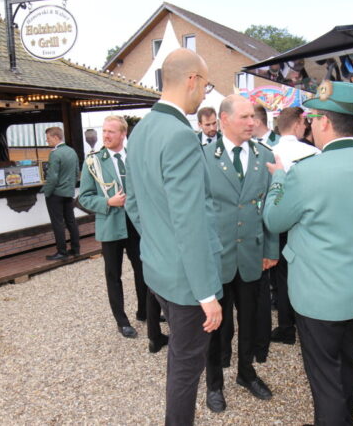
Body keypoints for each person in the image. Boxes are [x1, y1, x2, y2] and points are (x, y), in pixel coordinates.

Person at [264, 81, 353, 425]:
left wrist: (278, 180)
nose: (310, 126)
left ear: (324, 122)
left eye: (312, 119)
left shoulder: (306, 171)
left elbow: (274, 220)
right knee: (347, 362)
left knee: (325, 378)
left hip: (317, 294)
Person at [124, 48, 223, 426]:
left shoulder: (142, 129)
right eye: (206, 85)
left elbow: (134, 203)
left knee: (181, 360)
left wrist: (158, 243)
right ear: (192, 80)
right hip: (186, 280)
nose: (205, 94)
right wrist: (206, 293)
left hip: (159, 269)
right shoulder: (180, 135)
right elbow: (191, 221)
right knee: (186, 368)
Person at [203, 94, 278, 413]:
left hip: (252, 255)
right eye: (245, 117)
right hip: (216, 257)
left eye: (253, 117)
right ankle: (214, 383)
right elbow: (197, 211)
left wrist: (271, 248)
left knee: (250, 321)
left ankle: (246, 373)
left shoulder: (265, 155)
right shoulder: (204, 157)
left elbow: (271, 205)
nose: (253, 122)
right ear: (224, 119)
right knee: (214, 326)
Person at [78, 116, 166, 347]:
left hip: (136, 224)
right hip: (110, 224)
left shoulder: (133, 157)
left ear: (123, 134)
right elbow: (84, 197)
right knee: (113, 275)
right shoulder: (93, 162)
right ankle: (122, 321)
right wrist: (108, 202)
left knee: (143, 270)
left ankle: (144, 312)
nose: (106, 135)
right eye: (104, 131)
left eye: (111, 132)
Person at [268, 107, 320, 347]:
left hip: (278, 219)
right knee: (307, 272)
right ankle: (307, 322)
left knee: (282, 276)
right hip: (307, 221)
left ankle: (286, 326)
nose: (306, 127)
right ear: (298, 123)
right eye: (305, 123)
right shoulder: (313, 153)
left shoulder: (268, 152)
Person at [41, 126, 80, 261]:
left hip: (56, 193)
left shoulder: (55, 154)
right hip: (68, 192)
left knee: (57, 223)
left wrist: (47, 192)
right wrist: (70, 187)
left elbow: (52, 177)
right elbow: (76, 172)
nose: (47, 141)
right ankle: (76, 249)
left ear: (56, 137)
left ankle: (62, 252)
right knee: (71, 221)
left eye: (48, 138)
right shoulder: (72, 151)